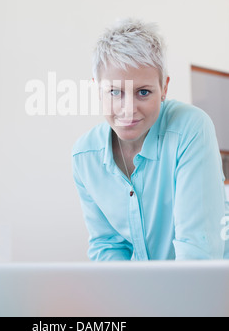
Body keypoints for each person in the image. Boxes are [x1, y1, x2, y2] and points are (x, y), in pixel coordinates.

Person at [72, 18, 226, 261]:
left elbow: (197, 250)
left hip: (205, 290)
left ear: (164, 87)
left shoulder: (190, 128)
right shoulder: (84, 156)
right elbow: (107, 247)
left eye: (143, 92)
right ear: (98, 89)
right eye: (115, 92)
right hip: (145, 294)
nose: (128, 109)